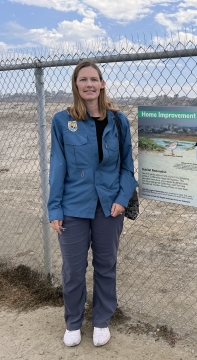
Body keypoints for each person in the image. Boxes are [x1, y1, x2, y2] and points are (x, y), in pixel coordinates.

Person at [47, 60, 137, 347]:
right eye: (82, 79)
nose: (88, 84)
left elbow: (127, 167)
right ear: (76, 85)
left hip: (109, 206)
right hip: (73, 207)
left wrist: (122, 200)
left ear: (102, 84)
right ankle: (73, 322)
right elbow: (57, 166)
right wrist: (54, 208)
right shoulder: (62, 121)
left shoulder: (118, 120)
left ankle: (101, 320)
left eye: (93, 79)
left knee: (105, 265)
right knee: (73, 269)